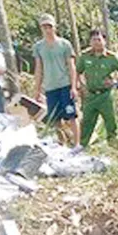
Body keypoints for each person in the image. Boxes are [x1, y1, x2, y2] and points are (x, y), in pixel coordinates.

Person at [33, 13, 81, 149]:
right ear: (41, 28)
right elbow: (38, 69)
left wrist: (73, 87)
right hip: (50, 87)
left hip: (65, 85)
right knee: (55, 118)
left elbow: (71, 66)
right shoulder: (38, 47)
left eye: (50, 26)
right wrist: (37, 89)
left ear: (54, 27)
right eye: (44, 27)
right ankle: (62, 143)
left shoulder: (64, 44)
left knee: (71, 115)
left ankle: (77, 144)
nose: (47, 29)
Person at [77, 29, 118, 149]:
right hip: (90, 95)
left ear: (104, 41)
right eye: (94, 40)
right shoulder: (85, 56)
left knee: (110, 121)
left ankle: (113, 145)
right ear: (90, 42)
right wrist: (81, 85)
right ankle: (83, 145)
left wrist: (116, 81)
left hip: (105, 95)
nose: (96, 42)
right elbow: (78, 71)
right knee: (86, 122)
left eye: (99, 39)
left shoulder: (111, 58)